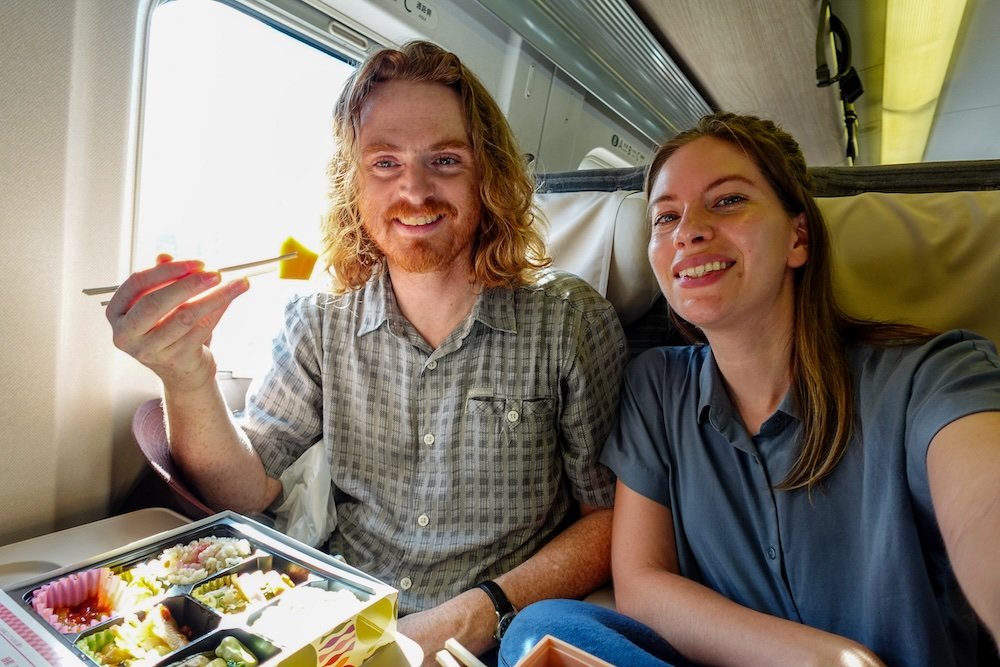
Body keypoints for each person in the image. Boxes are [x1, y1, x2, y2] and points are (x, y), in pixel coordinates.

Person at [107, 41, 628, 662]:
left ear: (487, 174)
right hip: (332, 626)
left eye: (445, 159)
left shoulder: (569, 321)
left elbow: (609, 519)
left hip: (489, 639)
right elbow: (247, 490)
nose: (414, 190)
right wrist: (187, 375)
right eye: (384, 163)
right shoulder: (319, 319)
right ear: (352, 184)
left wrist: (473, 613)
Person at [499, 112, 1000, 667]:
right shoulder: (657, 387)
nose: (688, 229)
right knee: (542, 627)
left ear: (797, 238)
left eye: (728, 201)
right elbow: (641, 581)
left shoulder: (930, 378)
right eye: (666, 216)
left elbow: (986, 509)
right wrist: (829, 660)